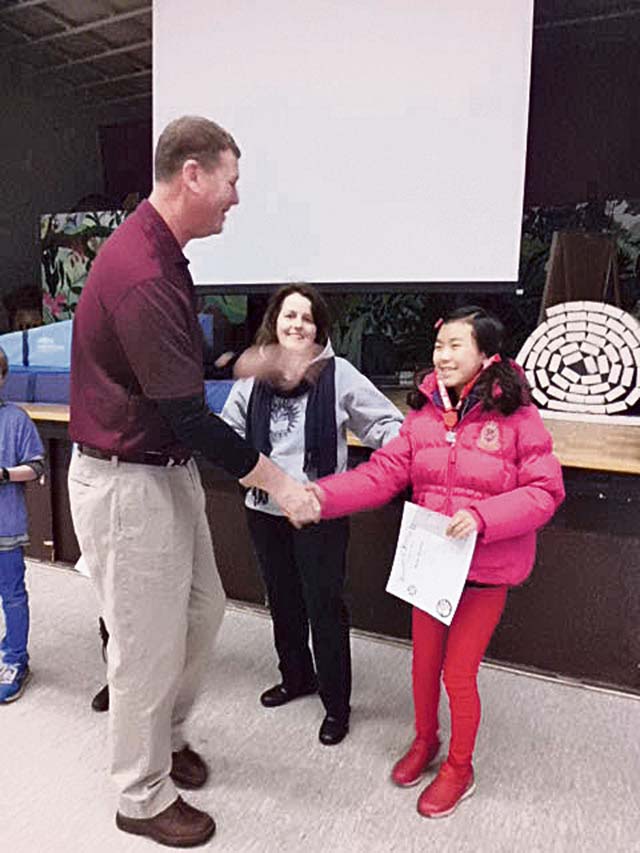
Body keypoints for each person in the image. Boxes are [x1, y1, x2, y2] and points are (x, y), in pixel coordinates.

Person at [68, 116, 320, 848]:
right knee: (144, 646)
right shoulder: (144, 271)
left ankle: (165, 736)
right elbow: (186, 413)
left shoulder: (164, 253)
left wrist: (250, 363)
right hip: (126, 481)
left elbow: (174, 377)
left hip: (160, 469)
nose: (236, 199)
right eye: (232, 182)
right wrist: (279, 483)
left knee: (203, 610)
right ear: (194, 176)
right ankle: (140, 795)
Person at [303, 306, 565, 817]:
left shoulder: (517, 416)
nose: (441, 357)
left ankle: (459, 768)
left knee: (457, 674)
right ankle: (425, 740)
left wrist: (484, 515)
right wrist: (321, 498)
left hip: (485, 572)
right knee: (423, 664)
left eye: (454, 347)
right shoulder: (424, 416)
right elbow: (381, 475)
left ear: (487, 355)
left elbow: (545, 491)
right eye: (439, 346)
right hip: (432, 566)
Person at [221, 284, 403, 745]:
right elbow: (227, 433)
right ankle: (296, 676)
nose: (297, 325)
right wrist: (243, 466)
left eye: (307, 317)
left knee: (324, 606)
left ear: (319, 328)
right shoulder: (254, 378)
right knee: (281, 599)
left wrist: (409, 449)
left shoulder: (338, 374)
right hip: (263, 509)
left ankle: (336, 705)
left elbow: (384, 424)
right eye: (289, 316)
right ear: (275, 323)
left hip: (319, 512)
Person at [0, 346, 45, 704]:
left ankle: (16, 658)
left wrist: (5, 474)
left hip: (5, 525)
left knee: (12, 594)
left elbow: (36, 467)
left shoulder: (16, 420)